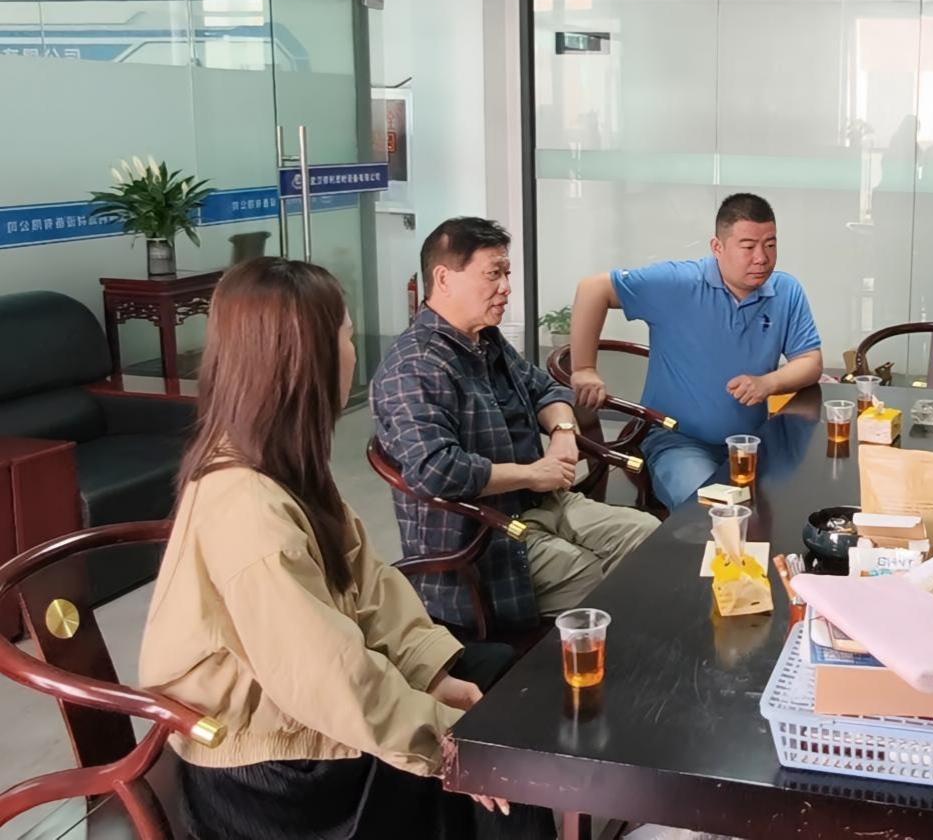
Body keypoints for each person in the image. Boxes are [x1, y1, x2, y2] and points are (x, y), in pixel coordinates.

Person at [139, 258, 553, 840]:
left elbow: (369, 582)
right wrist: (444, 740)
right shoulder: (247, 507)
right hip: (273, 773)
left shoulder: (279, 462)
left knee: (495, 676)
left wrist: (432, 671)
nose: (356, 354)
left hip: (301, 714)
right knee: (492, 751)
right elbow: (325, 677)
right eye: (348, 337)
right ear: (306, 361)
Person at [372, 217, 657, 635]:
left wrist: (562, 434)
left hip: (544, 503)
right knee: (598, 580)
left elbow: (546, 388)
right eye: (493, 274)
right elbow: (437, 470)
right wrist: (533, 473)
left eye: (507, 273)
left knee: (649, 538)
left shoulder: (485, 340)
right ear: (444, 278)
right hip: (485, 535)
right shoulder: (415, 366)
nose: (506, 287)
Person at [569, 192, 824, 509]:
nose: (762, 257)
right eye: (748, 247)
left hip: (752, 441)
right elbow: (593, 289)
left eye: (770, 245)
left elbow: (810, 361)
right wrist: (584, 368)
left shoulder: (786, 290)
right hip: (679, 442)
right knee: (716, 512)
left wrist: (767, 383)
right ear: (718, 247)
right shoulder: (679, 283)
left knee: (805, 500)